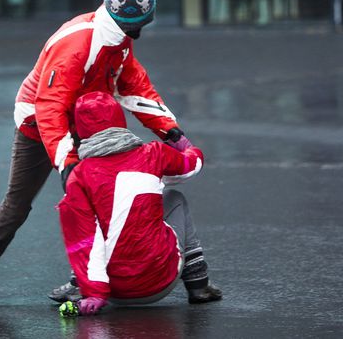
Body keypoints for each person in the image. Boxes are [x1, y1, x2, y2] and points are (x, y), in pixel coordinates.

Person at [0, 0, 184, 300]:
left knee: (102, 203)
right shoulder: (77, 44)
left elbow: (133, 85)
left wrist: (170, 129)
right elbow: (49, 107)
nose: (140, 33)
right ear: (124, 20)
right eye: (139, 26)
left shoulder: (119, 40)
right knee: (17, 205)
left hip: (89, 125)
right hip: (37, 125)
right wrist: (67, 162)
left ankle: (84, 282)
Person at [58, 91, 222, 316]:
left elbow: (83, 240)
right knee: (174, 198)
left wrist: (95, 293)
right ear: (119, 119)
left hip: (112, 292)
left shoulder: (80, 176)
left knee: (85, 224)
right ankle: (198, 284)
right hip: (160, 282)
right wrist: (187, 146)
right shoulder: (153, 153)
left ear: (81, 130)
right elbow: (190, 167)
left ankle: (79, 285)